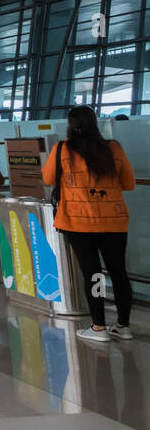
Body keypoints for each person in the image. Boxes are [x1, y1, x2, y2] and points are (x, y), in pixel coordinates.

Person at [43, 105, 136, 343]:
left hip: (79, 221)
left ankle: (98, 327)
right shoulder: (113, 148)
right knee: (118, 272)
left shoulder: (62, 148)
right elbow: (128, 183)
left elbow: (48, 178)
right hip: (114, 221)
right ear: (95, 123)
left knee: (92, 273)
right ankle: (123, 326)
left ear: (71, 125)